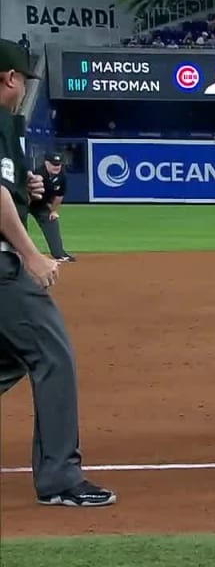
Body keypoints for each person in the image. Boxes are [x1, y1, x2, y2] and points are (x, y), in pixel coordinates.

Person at [0, 37, 116, 506]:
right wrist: (31, 254)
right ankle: (60, 481)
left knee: (8, 359)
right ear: (9, 78)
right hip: (3, 266)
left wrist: (20, 187)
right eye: (24, 78)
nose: (26, 86)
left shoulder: (9, 126)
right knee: (52, 356)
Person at [29, 151, 74, 262]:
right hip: (26, 202)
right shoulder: (38, 174)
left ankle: (58, 253)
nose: (56, 167)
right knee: (16, 223)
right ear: (46, 163)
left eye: (58, 164)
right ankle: (12, 252)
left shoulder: (61, 176)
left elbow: (59, 195)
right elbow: (26, 194)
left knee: (51, 220)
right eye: (54, 164)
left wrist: (53, 211)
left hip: (40, 205)